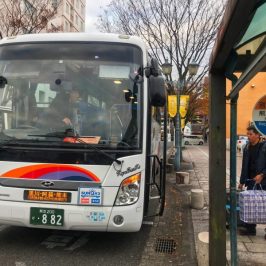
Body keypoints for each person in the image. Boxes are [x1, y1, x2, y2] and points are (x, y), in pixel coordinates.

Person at [238, 125, 266, 235]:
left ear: (258, 135)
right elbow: (244, 166)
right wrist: (241, 181)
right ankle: (250, 229)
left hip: (264, 181)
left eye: (250, 134)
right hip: (251, 181)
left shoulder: (264, 147)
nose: (248, 136)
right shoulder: (247, 147)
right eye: (247, 134)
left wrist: (262, 175)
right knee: (250, 204)